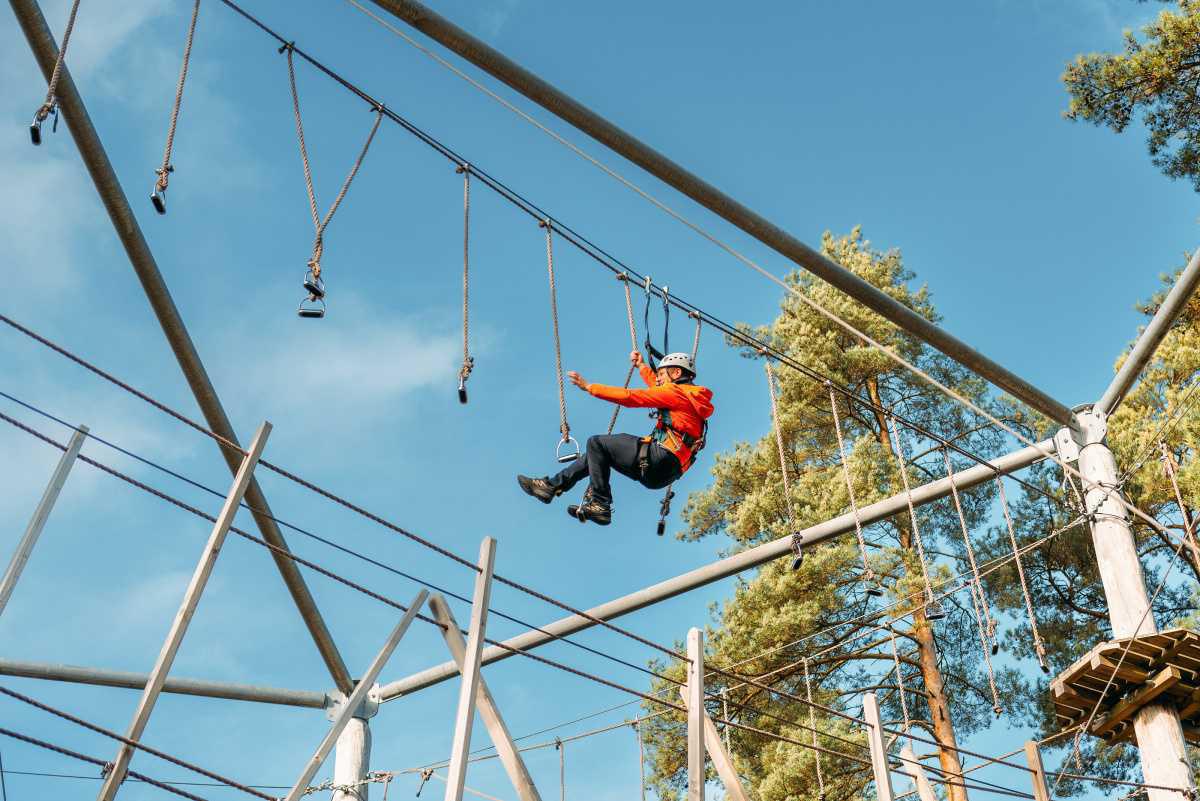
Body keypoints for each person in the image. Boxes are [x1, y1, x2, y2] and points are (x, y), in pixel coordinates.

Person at [517, 350, 715, 525]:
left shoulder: (675, 392)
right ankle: (551, 486)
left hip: (658, 458)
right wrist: (642, 367)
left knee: (597, 443)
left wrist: (589, 387)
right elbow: (656, 388)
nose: (659, 378)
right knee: (596, 454)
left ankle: (600, 503)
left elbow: (631, 397)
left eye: (662, 374)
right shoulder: (690, 398)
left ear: (677, 373)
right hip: (665, 472)